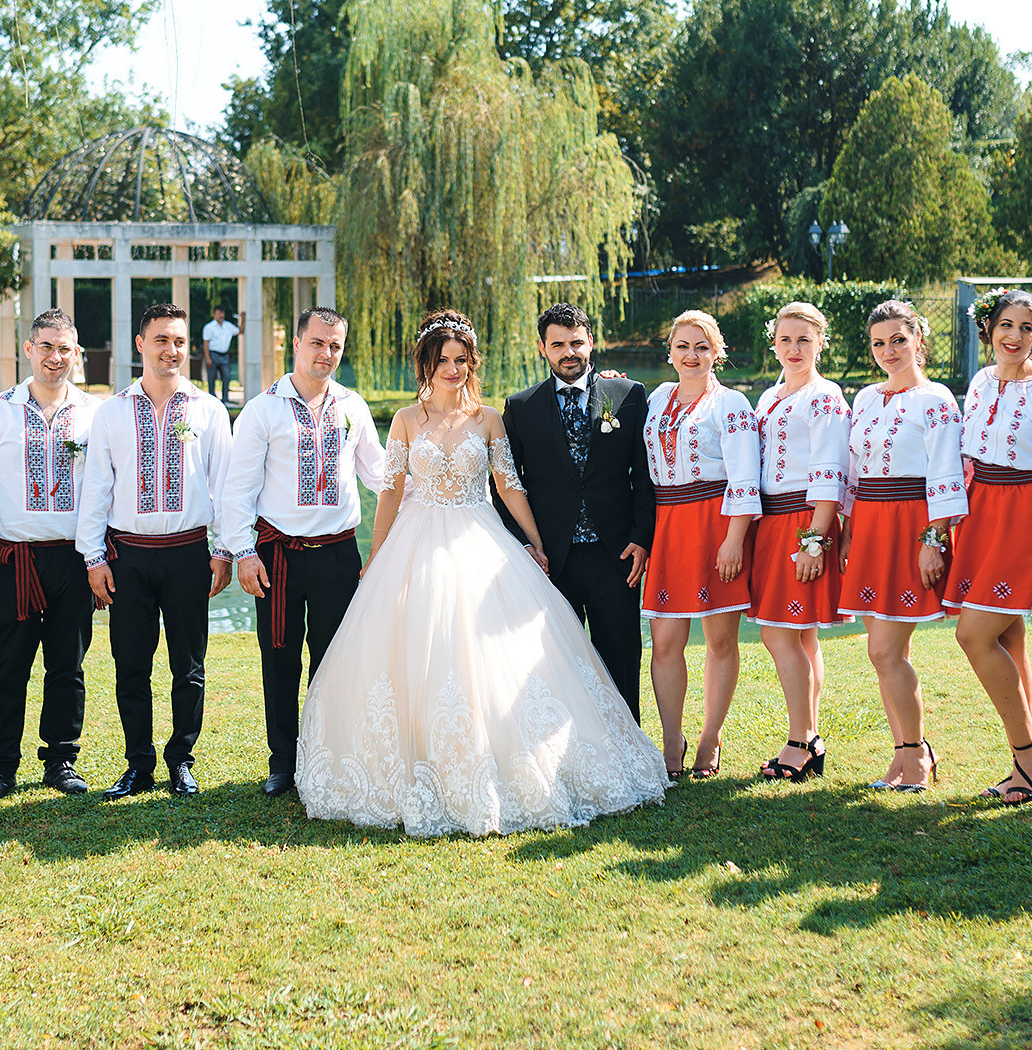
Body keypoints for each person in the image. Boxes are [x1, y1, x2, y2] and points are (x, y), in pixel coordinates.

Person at [294, 309, 667, 837]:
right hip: (421, 546)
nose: (452, 368)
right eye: (443, 360)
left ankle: (591, 744)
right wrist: (375, 555)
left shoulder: (527, 411)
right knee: (422, 656)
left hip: (532, 543)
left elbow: (511, 484)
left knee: (570, 653)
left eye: (461, 360)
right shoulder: (425, 418)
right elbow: (391, 493)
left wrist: (536, 542)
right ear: (427, 363)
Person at [217, 307, 386, 797]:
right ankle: (282, 763)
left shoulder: (352, 405)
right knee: (280, 658)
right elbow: (237, 490)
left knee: (333, 660)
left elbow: (378, 475)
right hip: (278, 557)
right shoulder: (263, 409)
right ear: (296, 343)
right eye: (317, 343)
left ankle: (324, 758)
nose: (327, 354)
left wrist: (434, 492)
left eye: (335, 345)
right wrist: (243, 553)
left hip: (338, 555)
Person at [77, 303, 234, 800]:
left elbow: (225, 485)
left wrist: (225, 550)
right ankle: (138, 763)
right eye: (162, 340)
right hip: (129, 556)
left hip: (189, 552)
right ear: (140, 344)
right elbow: (96, 487)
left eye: (180, 342)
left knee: (188, 664)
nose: (172, 350)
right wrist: (93, 558)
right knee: (131, 665)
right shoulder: (113, 411)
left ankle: (181, 760)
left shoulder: (209, 410)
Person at [0, 309, 102, 804]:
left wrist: (98, 557)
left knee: (68, 664)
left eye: (65, 349)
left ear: (77, 353)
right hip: (12, 560)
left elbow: (105, 490)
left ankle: (61, 760)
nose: (55, 358)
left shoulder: (94, 413)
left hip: (72, 559)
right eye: (46, 347)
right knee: (6, 665)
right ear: (28, 349)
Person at [497, 303, 656, 720]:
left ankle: (629, 753)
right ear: (542, 349)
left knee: (621, 656)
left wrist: (641, 537)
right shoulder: (520, 407)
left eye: (576, 342)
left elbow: (643, 473)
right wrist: (524, 545)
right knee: (554, 663)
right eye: (558, 345)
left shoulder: (626, 395)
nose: (569, 352)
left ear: (591, 343)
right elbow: (507, 485)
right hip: (553, 559)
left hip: (617, 555)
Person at [947, 289, 1032, 805]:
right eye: (1006, 325)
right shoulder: (979, 382)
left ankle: (1029, 752)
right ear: (989, 330)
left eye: (1026, 327)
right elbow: (966, 454)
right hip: (983, 513)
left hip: (1027, 516)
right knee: (1008, 637)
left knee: (973, 635)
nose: (1014, 336)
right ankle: (1027, 758)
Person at [841, 299, 966, 792]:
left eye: (898, 339)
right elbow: (853, 471)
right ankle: (904, 754)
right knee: (881, 654)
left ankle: (915, 757)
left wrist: (933, 539)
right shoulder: (867, 398)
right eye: (879, 342)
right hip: (870, 524)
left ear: (919, 340)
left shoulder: (936, 399)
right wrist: (848, 534)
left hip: (912, 522)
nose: (889, 350)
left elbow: (944, 473)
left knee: (886, 650)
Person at [640, 310, 760, 781]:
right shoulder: (655, 399)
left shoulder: (730, 405)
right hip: (667, 524)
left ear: (717, 352)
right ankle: (672, 741)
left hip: (716, 523)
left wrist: (734, 540)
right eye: (683, 347)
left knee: (719, 639)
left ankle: (710, 737)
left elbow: (745, 477)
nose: (692, 356)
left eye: (702, 347)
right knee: (666, 641)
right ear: (669, 352)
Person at [747, 302, 847, 782]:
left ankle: (799, 740)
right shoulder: (769, 397)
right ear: (774, 343)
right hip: (773, 520)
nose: (794, 349)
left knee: (778, 631)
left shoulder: (825, 397)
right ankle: (811, 737)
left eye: (804, 340)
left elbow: (831, 470)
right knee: (801, 634)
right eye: (786, 340)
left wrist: (815, 541)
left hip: (804, 520)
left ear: (820, 342)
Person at [201, 306, 239, 403]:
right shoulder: (209, 327)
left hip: (225, 355)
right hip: (213, 355)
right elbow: (206, 344)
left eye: (222, 313)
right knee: (212, 378)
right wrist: (208, 358)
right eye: (219, 313)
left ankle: (225, 399)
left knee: (226, 376)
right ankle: (212, 400)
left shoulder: (228, 326)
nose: (221, 315)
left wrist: (242, 319)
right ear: (214, 315)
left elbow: (240, 331)